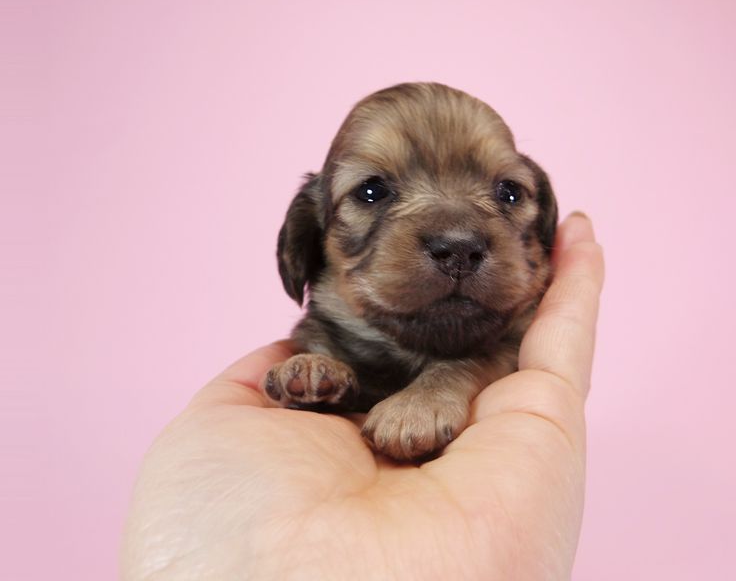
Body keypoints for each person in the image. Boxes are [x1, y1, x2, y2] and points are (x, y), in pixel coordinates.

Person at [120, 213, 605, 580]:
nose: (459, 237)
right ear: (308, 243)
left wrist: (449, 381)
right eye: (373, 193)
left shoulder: (510, 353)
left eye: (507, 195)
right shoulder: (312, 362)